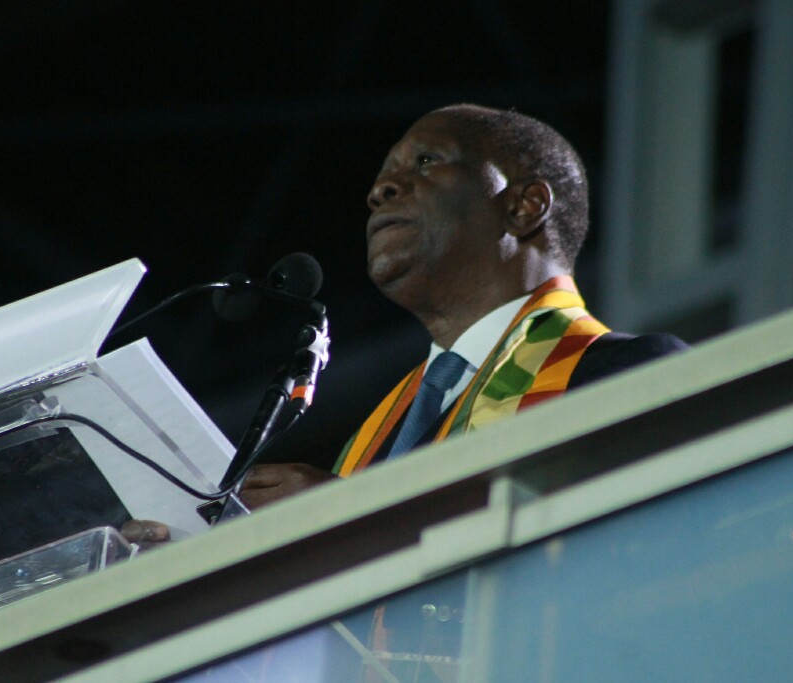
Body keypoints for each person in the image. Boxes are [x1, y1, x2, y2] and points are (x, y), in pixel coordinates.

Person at [238, 103, 687, 508]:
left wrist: (347, 513)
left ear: (525, 206)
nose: (379, 190)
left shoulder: (629, 373)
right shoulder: (374, 438)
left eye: (426, 161)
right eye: (383, 174)